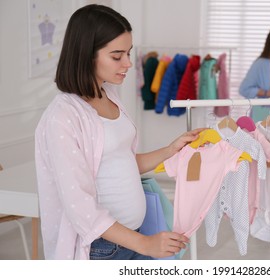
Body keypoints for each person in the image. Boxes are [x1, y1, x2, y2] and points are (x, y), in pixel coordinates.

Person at [34, 4, 203, 260]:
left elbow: (121, 162)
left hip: (134, 237)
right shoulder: (63, 117)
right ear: (86, 54)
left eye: (128, 53)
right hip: (103, 248)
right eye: (116, 56)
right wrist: (144, 244)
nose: (128, 63)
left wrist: (171, 149)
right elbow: (79, 206)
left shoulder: (109, 94)